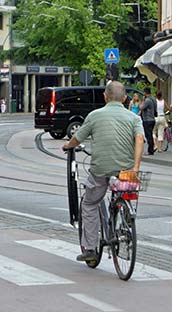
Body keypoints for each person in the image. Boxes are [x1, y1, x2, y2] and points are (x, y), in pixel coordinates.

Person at [62, 81, 145, 262]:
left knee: (90, 204)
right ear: (124, 99)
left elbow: (77, 137)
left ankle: (90, 249)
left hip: (100, 169)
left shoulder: (95, 116)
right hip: (126, 172)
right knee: (122, 193)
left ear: (105, 97)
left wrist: (68, 145)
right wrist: (135, 168)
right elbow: (140, 138)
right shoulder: (134, 118)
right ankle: (123, 218)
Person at [140, 87, 157, 155]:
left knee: (148, 135)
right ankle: (151, 149)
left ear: (145, 93)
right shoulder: (153, 99)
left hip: (147, 119)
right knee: (150, 134)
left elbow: (141, 107)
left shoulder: (147, 100)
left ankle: (150, 150)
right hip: (152, 119)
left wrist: (143, 101)